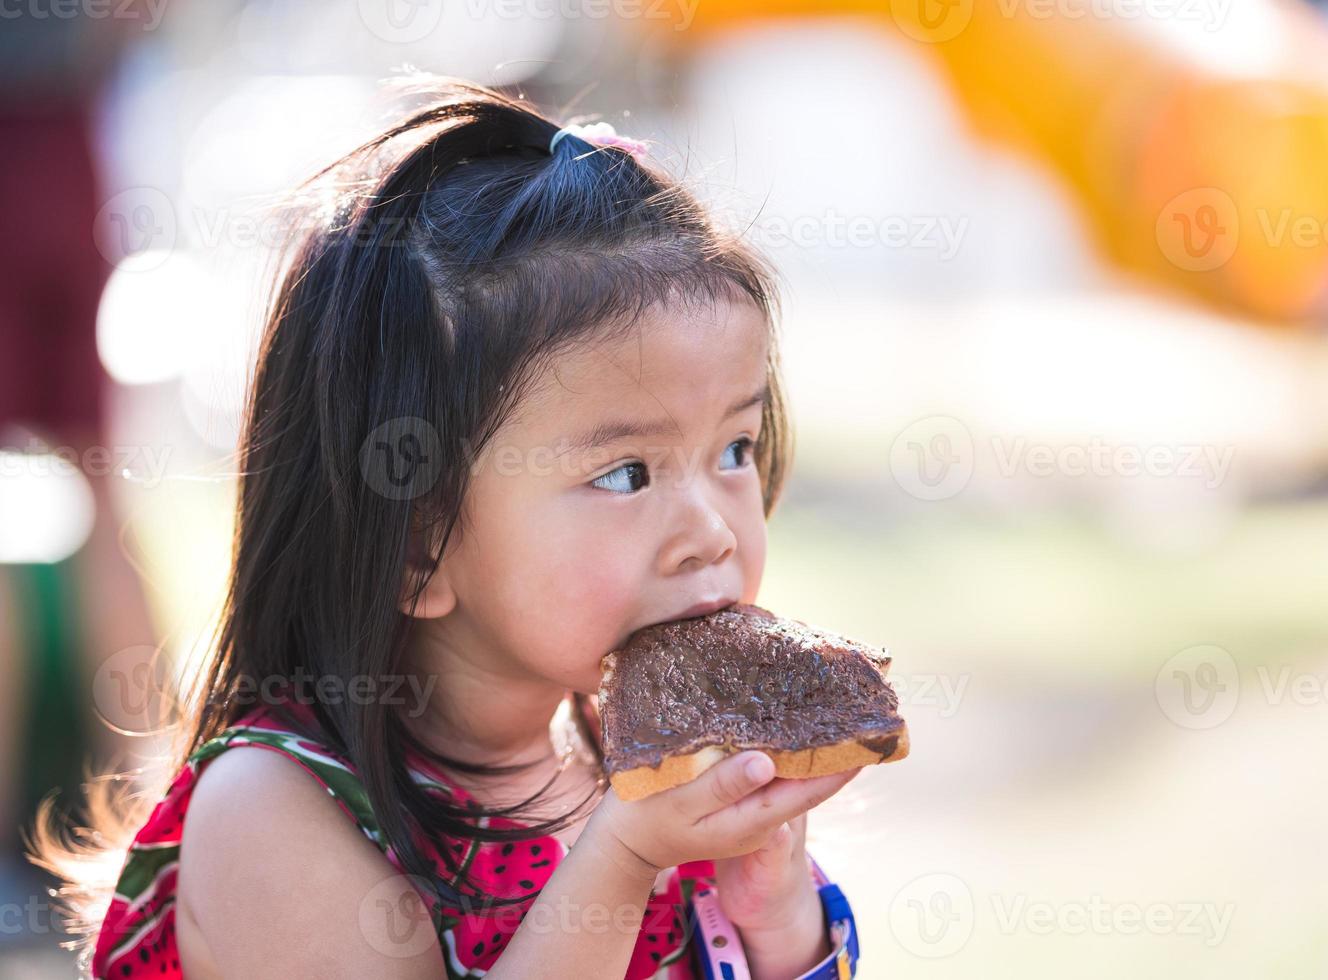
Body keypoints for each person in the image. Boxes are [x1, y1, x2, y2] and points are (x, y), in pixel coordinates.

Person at [34, 77, 864, 979]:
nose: (711, 530)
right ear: (418, 543)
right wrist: (621, 864)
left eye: (735, 449)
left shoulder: (617, 761)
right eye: (626, 473)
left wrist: (774, 916)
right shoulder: (274, 812)